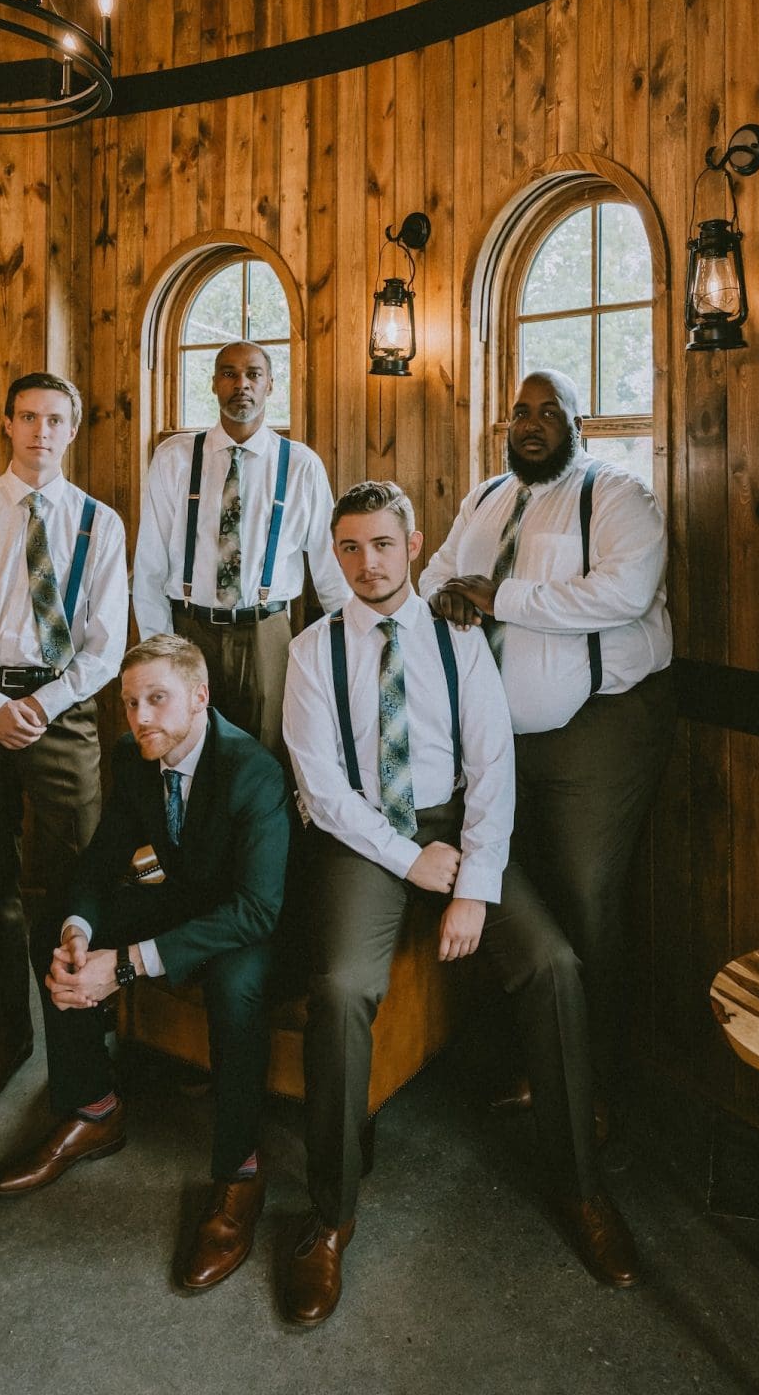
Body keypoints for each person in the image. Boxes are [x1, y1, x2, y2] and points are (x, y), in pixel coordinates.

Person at [277, 479, 639, 1329]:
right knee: (340, 991)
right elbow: (322, 792)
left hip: (458, 829)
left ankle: (581, 1188)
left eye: (383, 545)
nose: (368, 563)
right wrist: (410, 860)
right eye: (351, 548)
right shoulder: (311, 651)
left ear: (413, 545)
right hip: (366, 839)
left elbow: (493, 766)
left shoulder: (457, 639)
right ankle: (329, 1217)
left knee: (553, 966)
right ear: (337, 554)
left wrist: (474, 885)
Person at [0, 634, 291, 1294]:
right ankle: (93, 1110)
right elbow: (102, 860)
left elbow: (257, 910)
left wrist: (123, 966)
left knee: (235, 988)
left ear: (199, 697)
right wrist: (79, 931)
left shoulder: (253, 769)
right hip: (181, 900)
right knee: (53, 928)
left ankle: (239, 1174)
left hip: (247, 922)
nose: (140, 716)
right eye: (129, 702)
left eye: (157, 698)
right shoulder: (133, 754)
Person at [418, 368, 675, 1111]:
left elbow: (625, 593)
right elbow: (436, 575)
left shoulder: (618, 496)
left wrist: (499, 597)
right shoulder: (485, 498)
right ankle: (534, 1065)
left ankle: (597, 1092)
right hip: (494, 738)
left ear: (577, 424)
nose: (530, 425)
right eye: (519, 413)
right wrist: (446, 599)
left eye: (548, 413)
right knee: (516, 899)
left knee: (585, 895)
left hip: (596, 729)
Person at [0, 371, 128, 1112]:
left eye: (55, 419)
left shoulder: (101, 524)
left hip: (62, 710)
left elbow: (105, 644)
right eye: (28, 417)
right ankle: (6, 1039)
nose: (42, 431)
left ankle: (83, 1032)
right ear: (6, 425)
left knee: (80, 876)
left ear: (73, 429)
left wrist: (41, 703)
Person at [132, 340, 349, 755]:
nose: (241, 384)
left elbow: (330, 570)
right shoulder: (175, 458)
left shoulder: (300, 465)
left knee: (268, 754)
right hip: (189, 629)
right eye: (229, 374)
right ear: (214, 383)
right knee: (189, 752)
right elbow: (150, 566)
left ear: (270, 385)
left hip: (268, 633)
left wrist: (349, 650)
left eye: (253, 374)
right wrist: (159, 653)